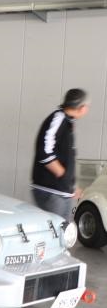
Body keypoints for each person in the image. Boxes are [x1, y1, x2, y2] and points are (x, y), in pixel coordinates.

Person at [31, 88, 90, 222]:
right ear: (82, 107)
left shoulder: (68, 122)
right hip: (51, 191)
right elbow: (44, 151)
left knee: (64, 230)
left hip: (61, 191)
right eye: (87, 106)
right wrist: (62, 175)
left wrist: (71, 186)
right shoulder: (58, 119)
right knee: (56, 230)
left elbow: (66, 160)